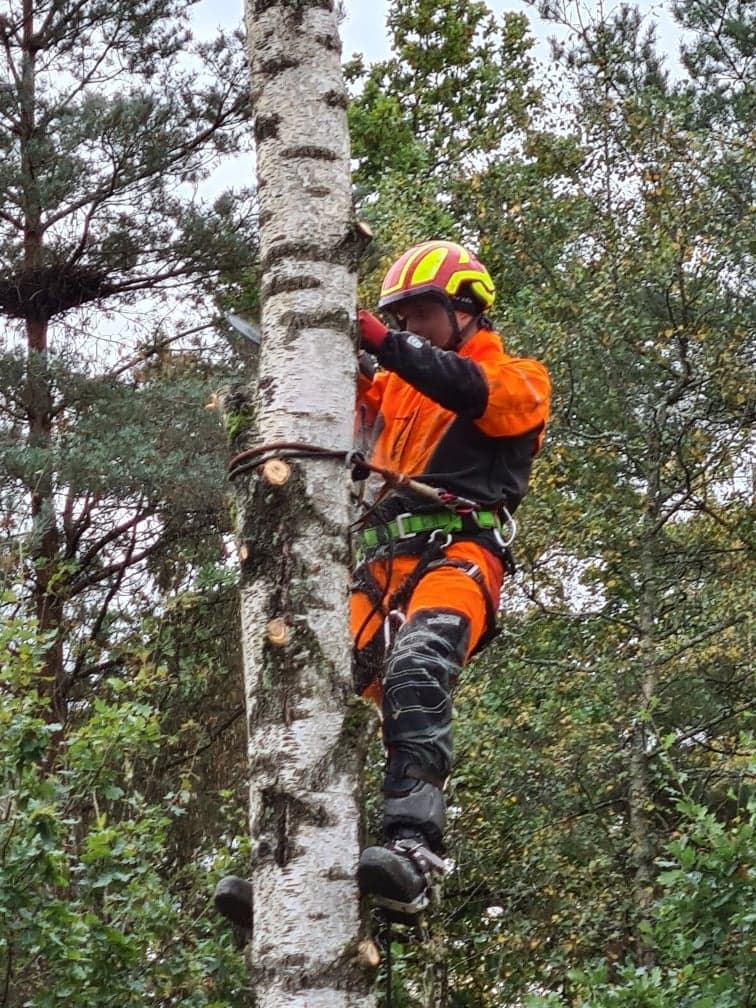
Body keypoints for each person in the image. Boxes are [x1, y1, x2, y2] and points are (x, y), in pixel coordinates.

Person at [213, 239, 551, 929]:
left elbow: (469, 391)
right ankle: (288, 862)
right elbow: (339, 406)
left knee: (418, 669)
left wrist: (381, 344)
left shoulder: (520, 379)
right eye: (400, 317)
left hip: (458, 555)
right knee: (303, 687)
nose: (409, 329)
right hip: (377, 568)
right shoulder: (394, 381)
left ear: (466, 311)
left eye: (421, 313)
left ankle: (415, 849)